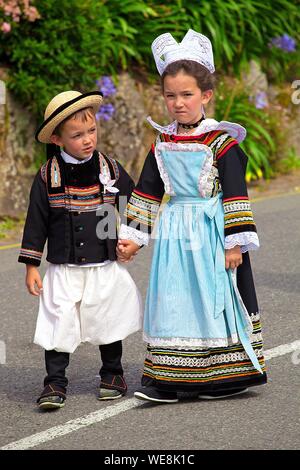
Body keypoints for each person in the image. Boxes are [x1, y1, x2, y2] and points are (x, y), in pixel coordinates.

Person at [117, 30, 267, 403]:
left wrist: (235, 244)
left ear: (206, 95)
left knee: (214, 299)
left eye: (187, 95)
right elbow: (148, 190)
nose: (178, 104)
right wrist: (133, 237)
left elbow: (235, 194)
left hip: (212, 233)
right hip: (175, 235)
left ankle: (222, 377)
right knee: (173, 297)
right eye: (171, 96)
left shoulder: (222, 143)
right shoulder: (163, 142)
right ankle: (170, 378)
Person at [18, 90, 142, 410]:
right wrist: (32, 265)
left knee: (107, 317)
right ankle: (55, 382)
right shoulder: (48, 176)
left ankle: (112, 373)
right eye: (77, 135)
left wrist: (132, 239)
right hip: (63, 267)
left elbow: (135, 203)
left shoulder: (109, 168)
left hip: (103, 263)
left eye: (91, 131)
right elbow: (36, 221)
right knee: (58, 321)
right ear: (58, 139)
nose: (87, 140)